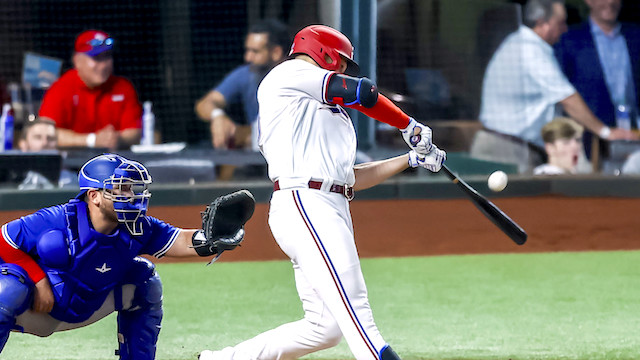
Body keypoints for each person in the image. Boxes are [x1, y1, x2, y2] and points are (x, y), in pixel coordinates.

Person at [199, 25, 446, 360]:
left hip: (326, 204)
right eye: (341, 61)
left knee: (324, 328)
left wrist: (411, 158)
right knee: (359, 318)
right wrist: (408, 125)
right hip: (305, 203)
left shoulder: (319, 111)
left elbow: (348, 179)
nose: (342, 68)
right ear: (322, 52)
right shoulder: (290, 73)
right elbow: (364, 93)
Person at [0, 153, 252, 359]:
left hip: (86, 306)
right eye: (120, 189)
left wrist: (209, 239)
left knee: (145, 278)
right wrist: (38, 280)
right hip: (38, 307)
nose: (131, 196)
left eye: (131, 188)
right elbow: (4, 240)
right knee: (6, 288)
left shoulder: (138, 226)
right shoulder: (55, 219)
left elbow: (179, 240)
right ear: (94, 196)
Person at [471, 0, 636, 174]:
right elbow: (568, 99)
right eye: (560, 23)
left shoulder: (521, 43)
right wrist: (605, 132)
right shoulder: (530, 51)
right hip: (506, 149)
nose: (565, 29)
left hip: (509, 145)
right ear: (543, 23)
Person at [194, 19, 290, 180]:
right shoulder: (247, 74)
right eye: (247, 50)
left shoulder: (297, 76)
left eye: (255, 51)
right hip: (256, 162)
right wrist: (217, 115)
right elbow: (204, 104)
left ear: (276, 52)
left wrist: (247, 134)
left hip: (292, 164)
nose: (248, 57)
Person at [554, 0, 640, 157]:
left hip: (634, 137)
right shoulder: (569, 40)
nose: (610, 2)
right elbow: (560, 92)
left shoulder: (635, 36)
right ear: (589, 1)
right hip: (588, 139)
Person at [39, 30, 143, 151]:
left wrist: (117, 139)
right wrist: (92, 140)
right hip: (72, 165)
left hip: (115, 163)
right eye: (96, 58)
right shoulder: (60, 88)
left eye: (107, 56)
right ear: (77, 61)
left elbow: (134, 132)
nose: (103, 65)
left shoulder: (124, 87)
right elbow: (45, 132)